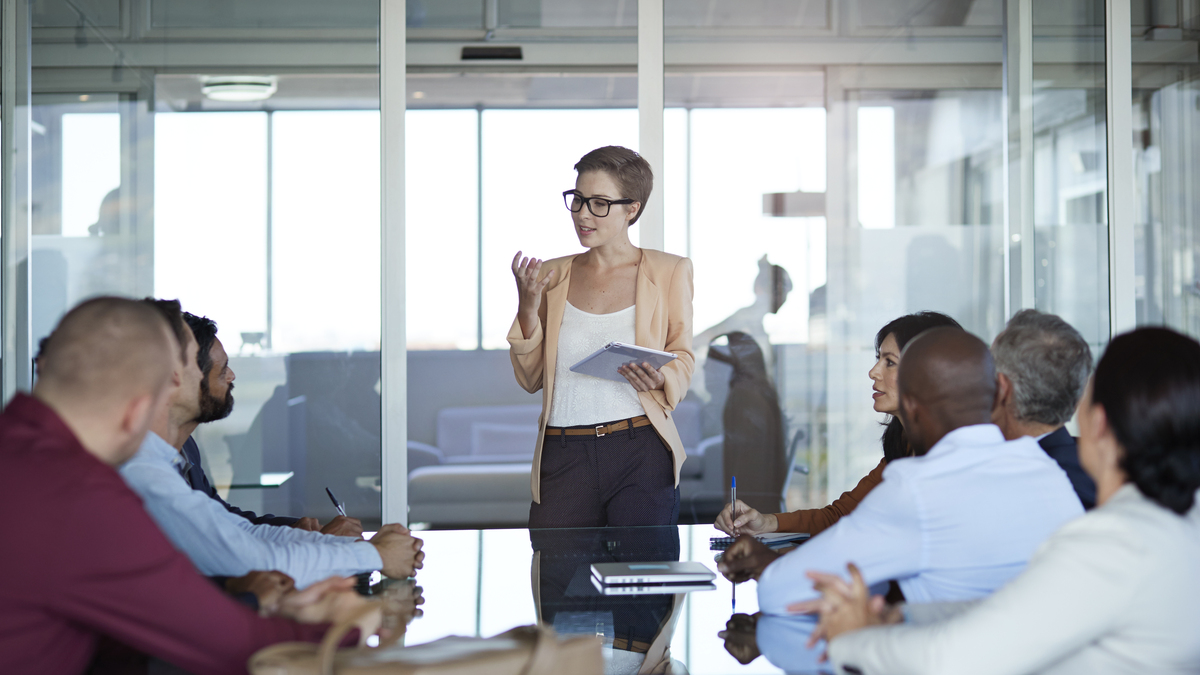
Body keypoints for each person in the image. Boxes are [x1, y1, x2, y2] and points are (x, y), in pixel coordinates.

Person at [0, 297, 382, 675]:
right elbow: (233, 647)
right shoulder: (82, 492)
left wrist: (250, 603)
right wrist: (348, 623)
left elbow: (114, 621)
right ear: (141, 408)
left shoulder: (22, 455)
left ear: (44, 366)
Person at [803, 327, 1200, 675]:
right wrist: (903, 616)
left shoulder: (1113, 543)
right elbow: (1026, 610)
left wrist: (851, 638)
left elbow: (948, 662)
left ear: (1098, 424)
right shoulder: (1178, 527)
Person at [719, 328, 1084, 671]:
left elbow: (780, 594)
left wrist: (770, 564)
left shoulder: (918, 487)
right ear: (998, 393)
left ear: (911, 408)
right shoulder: (1045, 471)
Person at [119, 299, 424, 589]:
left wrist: (329, 542)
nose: (232, 375)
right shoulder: (142, 471)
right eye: (222, 368)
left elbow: (235, 528)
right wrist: (376, 555)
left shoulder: (173, 455)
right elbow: (247, 558)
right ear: (173, 376)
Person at [509, 145, 695, 528]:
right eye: (577, 200)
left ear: (632, 209)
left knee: (644, 581)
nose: (581, 214)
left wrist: (662, 378)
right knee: (559, 579)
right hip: (563, 453)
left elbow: (683, 354)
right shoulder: (549, 275)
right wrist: (528, 306)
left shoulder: (669, 271)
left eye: (598, 203)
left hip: (640, 450)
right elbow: (530, 380)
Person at [714, 311, 960, 537]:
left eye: (890, 362)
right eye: (878, 359)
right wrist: (765, 522)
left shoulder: (951, 457)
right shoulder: (903, 445)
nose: (873, 372)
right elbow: (841, 515)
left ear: (929, 371)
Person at [178, 311, 358, 535]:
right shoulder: (293, 411)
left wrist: (295, 529)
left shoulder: (186, 446)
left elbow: (221, 517)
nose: (232, 376)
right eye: (223, 369)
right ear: (182, 377)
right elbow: (205, 539)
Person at [991, 309, 1097, 508]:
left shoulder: (1013, 483)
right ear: (1079, 395)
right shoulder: (1097, 470)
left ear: (1001, 388)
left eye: (987, 371)